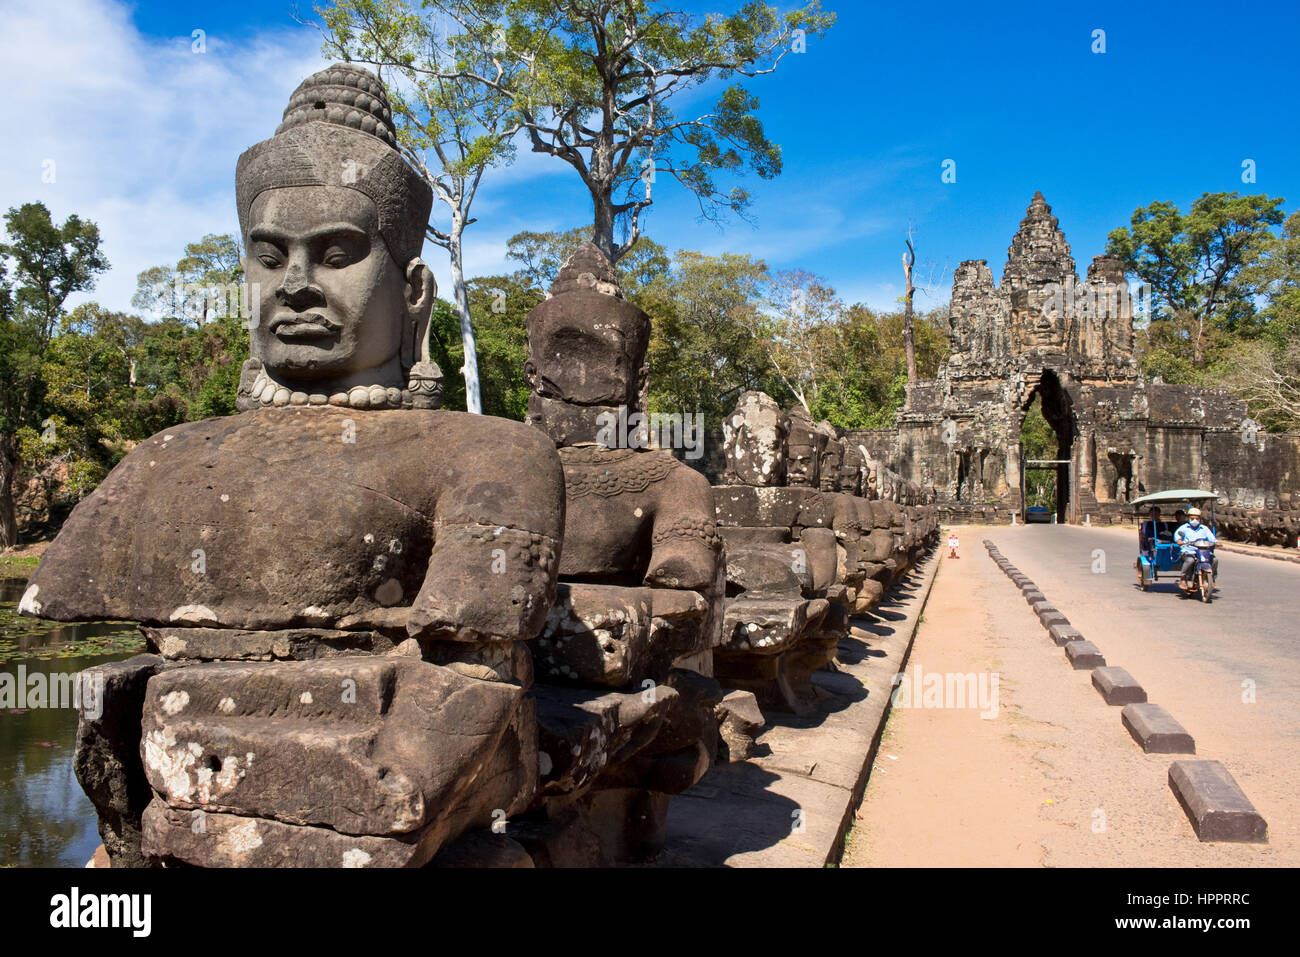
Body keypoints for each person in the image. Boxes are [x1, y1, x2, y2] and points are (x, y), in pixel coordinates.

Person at [1174, 507, 1219, 587]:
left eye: (1197, 518)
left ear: (1200, 519)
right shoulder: (1184, 528)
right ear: (1188, 518)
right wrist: (1179, 541)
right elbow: (1177, 536)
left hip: (1203, 552)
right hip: (1188, 551)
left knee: (1214, 560)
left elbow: (1212, 538)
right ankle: (1183, 578)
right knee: (1190, 560)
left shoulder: (1204, 528)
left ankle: (1212, 578)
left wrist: (1217, 542)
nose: (1194, 520)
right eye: (1192, 518)